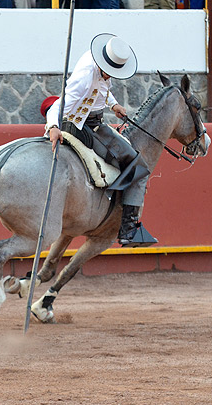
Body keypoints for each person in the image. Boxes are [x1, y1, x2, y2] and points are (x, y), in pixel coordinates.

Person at [42, 34, 153, 247]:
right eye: (110, 72)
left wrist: (113, 105)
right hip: (81, 126)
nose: (111, 76)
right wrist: (53, 126)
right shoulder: (85, 76)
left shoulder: (98, 62)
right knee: (138, 168)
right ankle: (128, 230)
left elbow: (103, 88)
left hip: (92, 120)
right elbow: (59, 104)